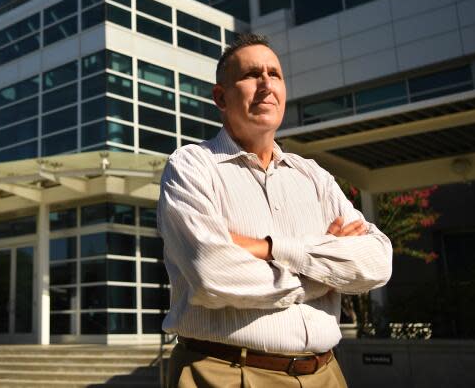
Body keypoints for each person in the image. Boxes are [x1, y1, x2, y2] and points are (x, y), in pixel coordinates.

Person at [158, 33, 393, 387]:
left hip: (326, 374)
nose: (266, 84)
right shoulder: (192, 166)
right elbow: (212, 276)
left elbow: (377, 261)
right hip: (225, 372)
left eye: (275, 74)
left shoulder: (313, 176)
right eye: (252, 75)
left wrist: (270, 248)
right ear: (221, 97)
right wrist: (323, 274)